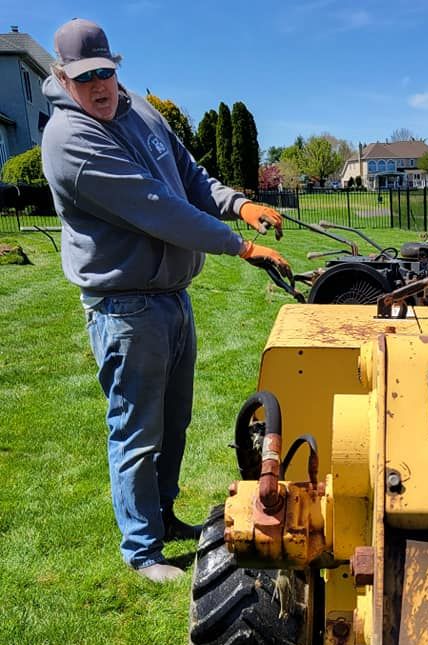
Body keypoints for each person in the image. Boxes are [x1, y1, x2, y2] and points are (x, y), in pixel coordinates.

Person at [41, 19, 292, 583]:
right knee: (135, 427)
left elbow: (190, 178)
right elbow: (161, 208)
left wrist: (239, 203)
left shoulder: (140, 111)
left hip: (172, 299)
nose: (101, 86)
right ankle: (141, 549)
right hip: (125, 307)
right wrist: (240, 245)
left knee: (173, 421)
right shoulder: (69, 142)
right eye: (86, 79)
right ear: (62, 77)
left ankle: (162, 515)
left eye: (106, 72)